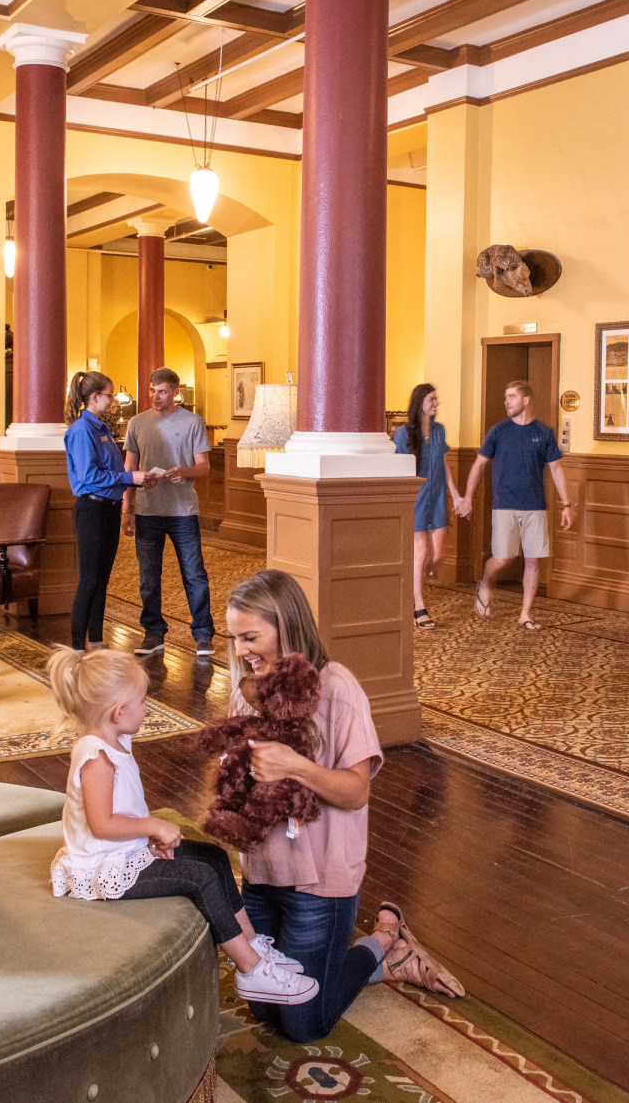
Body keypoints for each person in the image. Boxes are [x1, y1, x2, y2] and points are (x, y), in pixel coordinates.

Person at [224, 570, 463, 1042]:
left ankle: (382, 945)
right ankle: (368, 954)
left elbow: (357, 793)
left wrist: (295, 766)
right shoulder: (248, 689)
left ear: (288, 627)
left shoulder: (338, 688)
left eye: (250, 637)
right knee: (264, 1007)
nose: (240, 651)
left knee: (303, 1026)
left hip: (320, 883)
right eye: (233, 638)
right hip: (262, 874)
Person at [46, 646, 320, 1006]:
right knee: (199, 878)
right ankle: (251, 970)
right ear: (118, 711)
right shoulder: (96, 757)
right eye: (143, 701)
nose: (147, 708)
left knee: (213, 858)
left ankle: (254, 945)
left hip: (125, 851)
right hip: (101, 866)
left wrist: (147, 834)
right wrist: (153, 826)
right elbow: (102, 824)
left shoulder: (115, 741)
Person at [458, 381, 573, 631]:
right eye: (505, 396)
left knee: (533, 561)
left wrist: (567, 504)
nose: (506, 401)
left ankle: (525, 613)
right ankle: (485, 583)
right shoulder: (498, 432)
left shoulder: (544, 433)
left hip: (535, 507)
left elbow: (556, 469)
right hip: (504, 505)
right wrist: (468, 497)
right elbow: (478, 466)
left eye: (511, 396)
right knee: (503, 558)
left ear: (526, 400)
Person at [122, 368, 216, 659]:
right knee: (148, 578)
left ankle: (203, 634)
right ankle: (153, 633)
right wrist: (127, 509)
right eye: (151, 390)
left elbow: (204, 467)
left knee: (195, 575)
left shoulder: (192, 423)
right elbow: (128, 471)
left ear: (176, 392)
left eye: (161, 391)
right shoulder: (137, 423)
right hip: (147, 512)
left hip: (183, 512)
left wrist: (184, 472)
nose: (154, 396)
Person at [64, 370, 155, 651]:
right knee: (90, 580)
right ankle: (78, 648)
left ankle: (96, 641)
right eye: (109, 394)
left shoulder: (101, 428)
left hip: (109, 510)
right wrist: (131, 478)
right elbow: (90, 477)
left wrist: (136, 479)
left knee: (102, 580)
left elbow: (112, 470)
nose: (113, 399)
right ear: (94, 397)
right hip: (91, 510)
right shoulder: (81, 431)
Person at [392, 383, 468, 630]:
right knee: (421, 551)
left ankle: (407, 589)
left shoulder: (439, 431)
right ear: (420, 403)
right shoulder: (403, 434)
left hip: (436, 498)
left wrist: (455, 495)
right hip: (415, 497)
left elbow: (444, 464)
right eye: (432, 399)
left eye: (436, 399)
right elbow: (398, 469)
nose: (436, 403)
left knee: (436, 555)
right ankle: (418, 607)